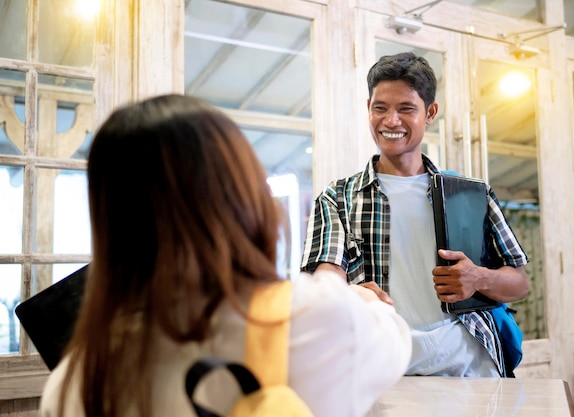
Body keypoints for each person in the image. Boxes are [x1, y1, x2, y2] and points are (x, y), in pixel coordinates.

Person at [40, 94, 412, 417]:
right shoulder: (311, 319)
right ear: (242, 200)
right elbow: (395, 341)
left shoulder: (72, 382)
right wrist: (363, 300)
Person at [301, 52, 530, 378]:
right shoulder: (338, 198)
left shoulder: (468, 195)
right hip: (381, 368)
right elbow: (325, 282)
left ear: (430, 112)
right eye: (380, 108)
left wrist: (479, 278)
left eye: (406, 109)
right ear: (369, 108)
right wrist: (350, 292)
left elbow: (519, 283)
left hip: (471, 365)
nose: (390, 121)